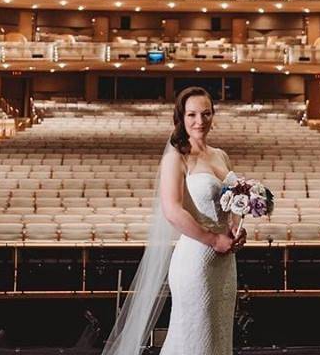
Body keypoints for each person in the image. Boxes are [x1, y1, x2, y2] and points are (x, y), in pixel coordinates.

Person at [101, 87, 247, 355]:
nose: (199, 121)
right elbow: (173, 211)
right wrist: (214, 239)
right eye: (192, 114)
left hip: (225, 262)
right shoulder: (176, 157)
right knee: (196, 336)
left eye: (206, 113)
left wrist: (237, 228)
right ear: (181, 117)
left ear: (213, 115)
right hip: (197, 259)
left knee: (220, 336)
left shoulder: (220, 155)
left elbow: (233, 201)